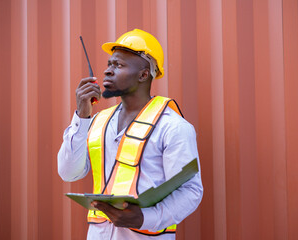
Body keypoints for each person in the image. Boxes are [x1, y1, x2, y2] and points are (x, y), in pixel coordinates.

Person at [58, 29, 203, 240]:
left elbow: (190, 191)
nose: (108, 71)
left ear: (144, 74)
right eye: (109, 64)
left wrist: (145, 217)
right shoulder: (97, 122)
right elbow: (68, 173)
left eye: (118, 65)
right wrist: (82, 115)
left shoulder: (173, 127)